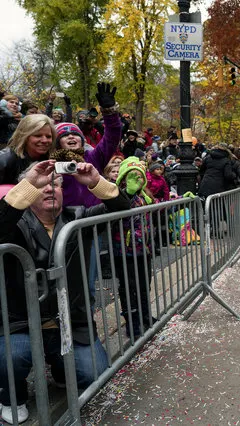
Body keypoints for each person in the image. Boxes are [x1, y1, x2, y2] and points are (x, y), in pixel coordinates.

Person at [0, 160, 129, 423]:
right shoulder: (14, 221)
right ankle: (12, 395)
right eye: (41, 186)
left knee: (95, 373)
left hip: (70, 323)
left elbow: (123, 213)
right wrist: (29, 185)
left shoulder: (78, 216)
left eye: (55, 184)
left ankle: (60, 370)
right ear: (27, 191)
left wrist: (95, 180)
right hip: (20, 323)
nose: (49, 189)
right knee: (12, 358)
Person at [113, 157, 157, 338]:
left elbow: (157, 207)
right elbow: (116, 211)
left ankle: (145, 315)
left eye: (139, 177)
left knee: (144, 284)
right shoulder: (118, 194)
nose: (136, 180)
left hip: (143, 249)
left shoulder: (144, 196)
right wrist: (128, 193)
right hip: (124, 251)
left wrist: (180, 199)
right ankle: (132, 322)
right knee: (128, 287)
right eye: (131, 176)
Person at [0, 114, 56, 185]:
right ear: (24, 136)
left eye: (48, 136)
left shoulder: (51, 159)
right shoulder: (4, 161)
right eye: (37, 135)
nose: (45, 140)